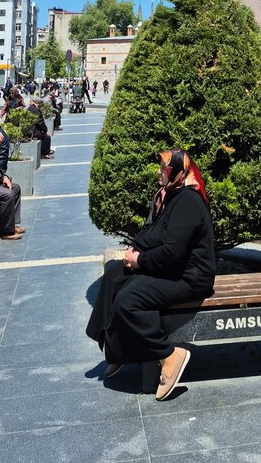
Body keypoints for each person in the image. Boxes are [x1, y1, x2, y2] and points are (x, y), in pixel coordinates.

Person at [86, 148, 215, 401]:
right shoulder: (173, 195)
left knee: (129, 299)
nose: (159, 172)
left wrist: (140, 261)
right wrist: (134, 250)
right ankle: (117, 351)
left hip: (191, 278)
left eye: (164, 169)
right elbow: (156, 234)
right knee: (114, 271)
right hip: (175, 270)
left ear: (177, 172)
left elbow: (172, 252)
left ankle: (168, 355)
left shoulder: (188, 201)